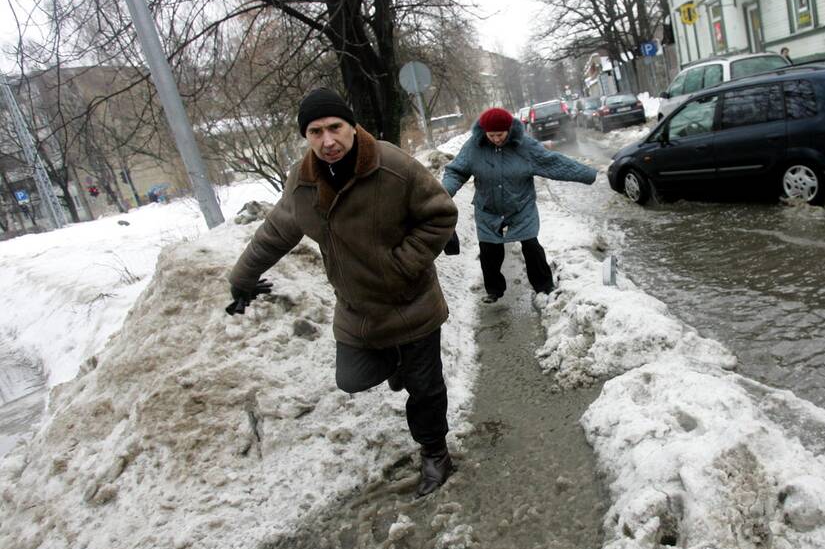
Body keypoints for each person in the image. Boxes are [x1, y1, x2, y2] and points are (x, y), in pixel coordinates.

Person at [226, 87, 459, 497]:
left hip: (411, 301)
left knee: (426, 389)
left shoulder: (392, 167)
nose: (327, 140)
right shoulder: (303, 181)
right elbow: (277, 230)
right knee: (351, 378)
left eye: (335, 127)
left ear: (352, 126)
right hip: (358, 309)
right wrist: (242, 277)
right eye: (315, 132)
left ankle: (435, 454)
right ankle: (398, 365)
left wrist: (401, 265)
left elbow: (441, 214)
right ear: (306, 137)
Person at [442, 107, 596, 304]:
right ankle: (494, 290)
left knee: (531, 246)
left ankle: (544, 285)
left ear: (509, 130)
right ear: (484, 132)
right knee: (489, 251)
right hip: (487, 209)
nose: (496, 139)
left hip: (521, 206)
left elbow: (554, 162)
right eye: (491, 135)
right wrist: (445, 193)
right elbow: (456, 171)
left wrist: (587, 174)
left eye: (500, 134)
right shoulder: (474, 146)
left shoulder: (524, 146)